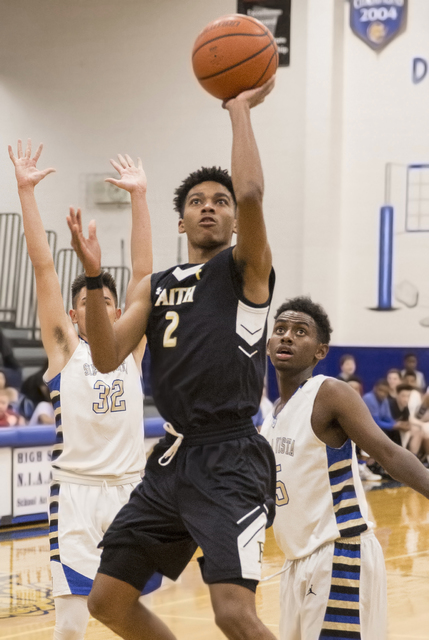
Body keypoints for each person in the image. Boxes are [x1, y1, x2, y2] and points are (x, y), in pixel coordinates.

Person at [68, 78, 277, 640]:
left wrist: (239, 113)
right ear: (180, 222)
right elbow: (109, 357)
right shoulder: (153, 286)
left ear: (234, 221)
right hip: (172, 458)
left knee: (232, 613)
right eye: (196, 202)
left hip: (231, 456)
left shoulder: (244, 269)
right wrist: (92, 278)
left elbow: (253, 192)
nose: (209, 207)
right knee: (107, 601)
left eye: (220, 202)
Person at [9, 140, 153, 640]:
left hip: (132, 495)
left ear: (119, 312)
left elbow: (143, 276)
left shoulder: (131, 347)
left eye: (110, 301)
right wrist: (25, 191)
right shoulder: (64, 353)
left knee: (130, 620)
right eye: (91, 300)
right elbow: (43, 268)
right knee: (71, 627)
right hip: (74, 496)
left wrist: (139, 197)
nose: (101, 305)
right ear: (74, 314)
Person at [262, 296, 429, 640]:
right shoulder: (271, 416)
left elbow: (389, 453)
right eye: (280, 329)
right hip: (295, 562)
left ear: (320, 351)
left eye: (300, 331)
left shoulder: (329, 393)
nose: (287, 336)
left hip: (339, 554)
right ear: (268, 343)